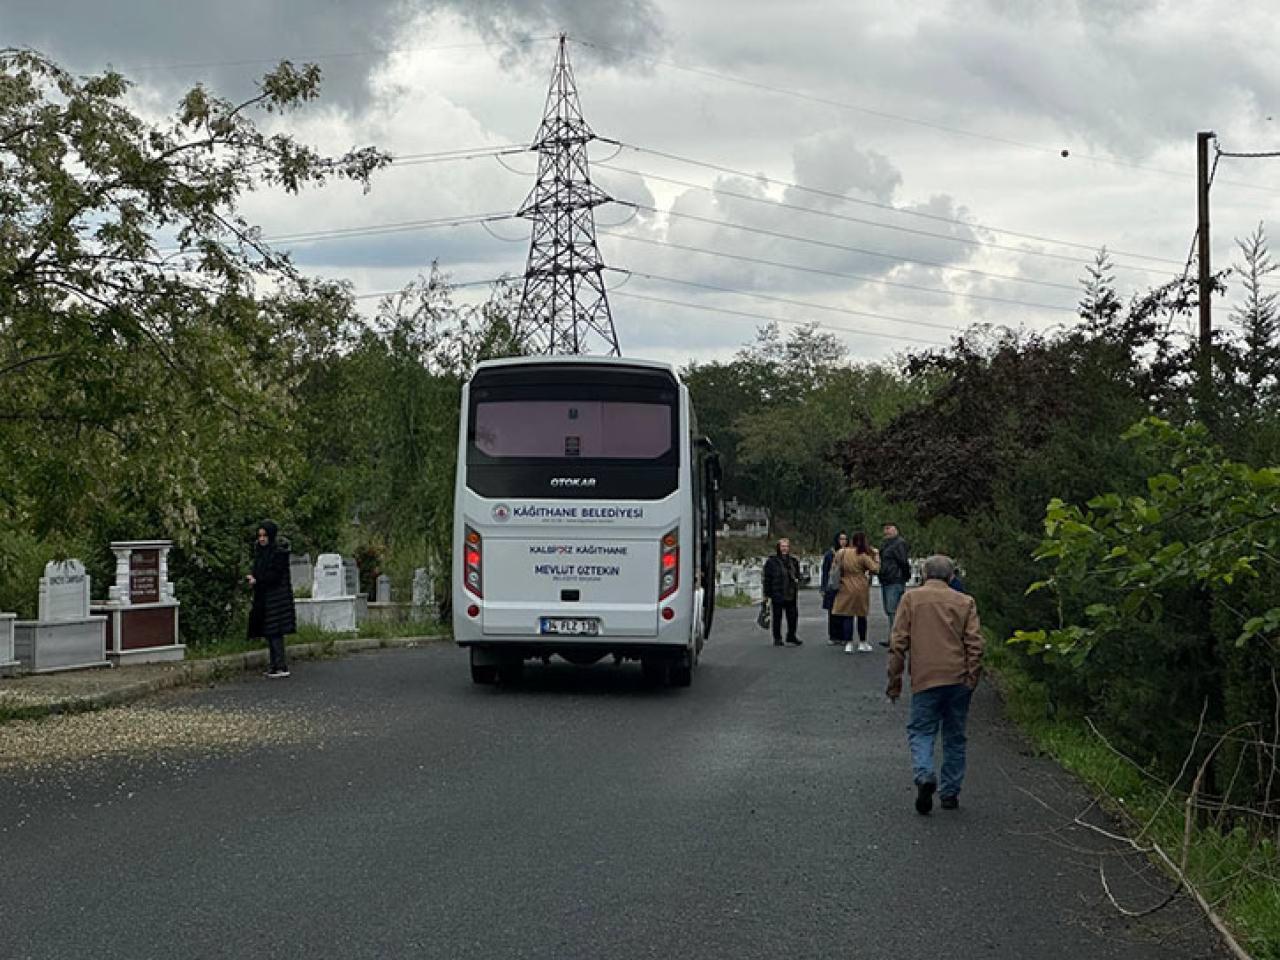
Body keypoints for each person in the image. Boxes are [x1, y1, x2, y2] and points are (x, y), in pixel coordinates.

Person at [886, 555, 985, 815]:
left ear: (923, 574)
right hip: (958, 677)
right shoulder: (965, 602)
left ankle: (924, 774)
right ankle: (950, 792)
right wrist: (972, 677)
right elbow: (975, 644)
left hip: (925, 677)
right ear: (951, 576)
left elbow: (898, 644)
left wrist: (895, 681)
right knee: (955, 736)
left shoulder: (910, 599)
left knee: (921, 730)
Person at [247, 520, 297, 678]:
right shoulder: (261, 553)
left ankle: (280, 665)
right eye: (260, 536)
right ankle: (274, 665)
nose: (262, 539)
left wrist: (258, 580)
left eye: (264, 536)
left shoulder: (278, 553)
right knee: (270, 632)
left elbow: (275, 576)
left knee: (275, 632)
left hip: (277, 599)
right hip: (265, 597)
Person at [832, 532, 879, 653]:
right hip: (860, 586)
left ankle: (848, 643)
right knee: (861, 615)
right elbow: (875, 569)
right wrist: (876, 557)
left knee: (848, 615)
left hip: (845, 585)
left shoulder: (842, 552)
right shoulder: (862, 555)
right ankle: (862, 642)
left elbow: (834, 566)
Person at [761, 538, 802, 647]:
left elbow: (798, 575)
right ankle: (777, 638)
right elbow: (767, 579)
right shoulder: (772, 562)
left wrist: (797, 581)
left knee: (793, 616)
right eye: (782, 546)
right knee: (777, 617)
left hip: (791, 593)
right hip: (777, 592)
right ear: (778, 547)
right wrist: (766, 594)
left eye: (786, 546)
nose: (785, 548)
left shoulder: (793, 561)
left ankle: (791, 636)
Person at [878, 523, 911, 647]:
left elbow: (903, 561)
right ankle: (893, 637)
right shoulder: (886, 544)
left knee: (894, 610)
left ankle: (897, 639)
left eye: (889, 528)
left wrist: (905, 576)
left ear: (896, 529)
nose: (886, 531)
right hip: (886, 579)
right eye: (885, 528)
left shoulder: (899, 543)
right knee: (889, 610)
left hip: (895, 579)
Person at [820, 531, 849, 645]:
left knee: (844, 611)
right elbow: (825, 571)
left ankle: (844, 636)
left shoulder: (849, 553)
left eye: (845, 539)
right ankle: (833, 636)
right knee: (832, 611)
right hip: (832, 586)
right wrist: (823, 587)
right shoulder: (830, 554)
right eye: (841, 539)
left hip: (845, 586)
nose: (843, 541)